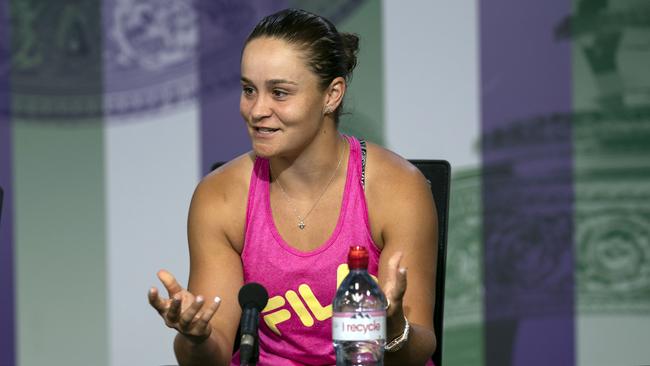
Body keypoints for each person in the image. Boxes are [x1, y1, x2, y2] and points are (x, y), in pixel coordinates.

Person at [148, 8, 438, 366]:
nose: (257, 110)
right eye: (249, 90)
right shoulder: (220, 197)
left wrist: (392, 327)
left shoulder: (397, 188)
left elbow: (418, 348)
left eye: (279, 93)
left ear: (332, 95)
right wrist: (195, 338)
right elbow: (213, 354)